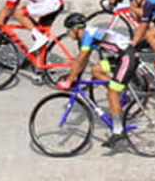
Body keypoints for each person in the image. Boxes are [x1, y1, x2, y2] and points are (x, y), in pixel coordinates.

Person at [56, 11, 140, 147]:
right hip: (121, 56)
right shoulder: (88, 34)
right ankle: (120, 95)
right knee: (96, 70)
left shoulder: (88, 35)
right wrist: (76, 76)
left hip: (127, 56)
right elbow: (84, 60)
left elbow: (81, 59)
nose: (68, 34)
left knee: (111, 92)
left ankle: (118, 131)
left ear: (76, 29)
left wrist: (69, 80)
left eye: (69, 30)